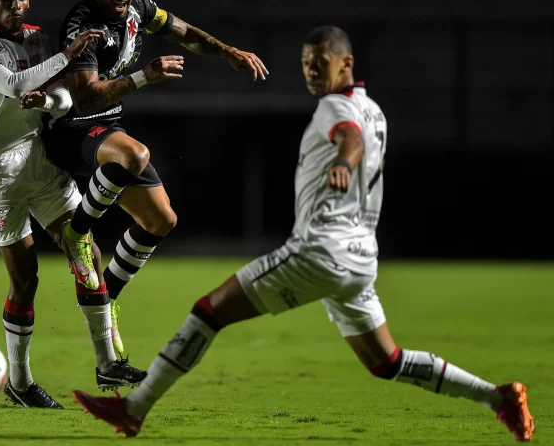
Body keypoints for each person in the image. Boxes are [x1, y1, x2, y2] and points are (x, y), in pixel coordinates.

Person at [70, 25, 535, 442]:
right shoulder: (376, 111)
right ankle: (500, 398)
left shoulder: (337, 108)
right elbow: (368, 150)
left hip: (320, 250)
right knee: (386, 362)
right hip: (360, 256)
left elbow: (349, 141)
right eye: (305, 63)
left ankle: (134, 408)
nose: (312, 70)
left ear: (346, 64)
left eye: (321, 62)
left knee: (208, 312)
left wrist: (341, 164)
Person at [41, 0, 269, 359]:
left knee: (161, 219)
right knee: (134, 154)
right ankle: (76, 233)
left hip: (107, 127)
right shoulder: (82, 25)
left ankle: (106, 298)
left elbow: (184, 32)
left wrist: (228, 52)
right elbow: (87, 99)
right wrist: (146, 76)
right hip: (71, 128)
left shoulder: (139, 7)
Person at [0, 0, 147, 408]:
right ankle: (20, 383)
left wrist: (48, 101)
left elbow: (65, 99)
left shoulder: (41, 40)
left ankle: (106, 361)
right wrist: (66, 56)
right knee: (25, 280)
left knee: (87, 252)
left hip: (40, 161)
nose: (17, 5)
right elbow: (14, 83)